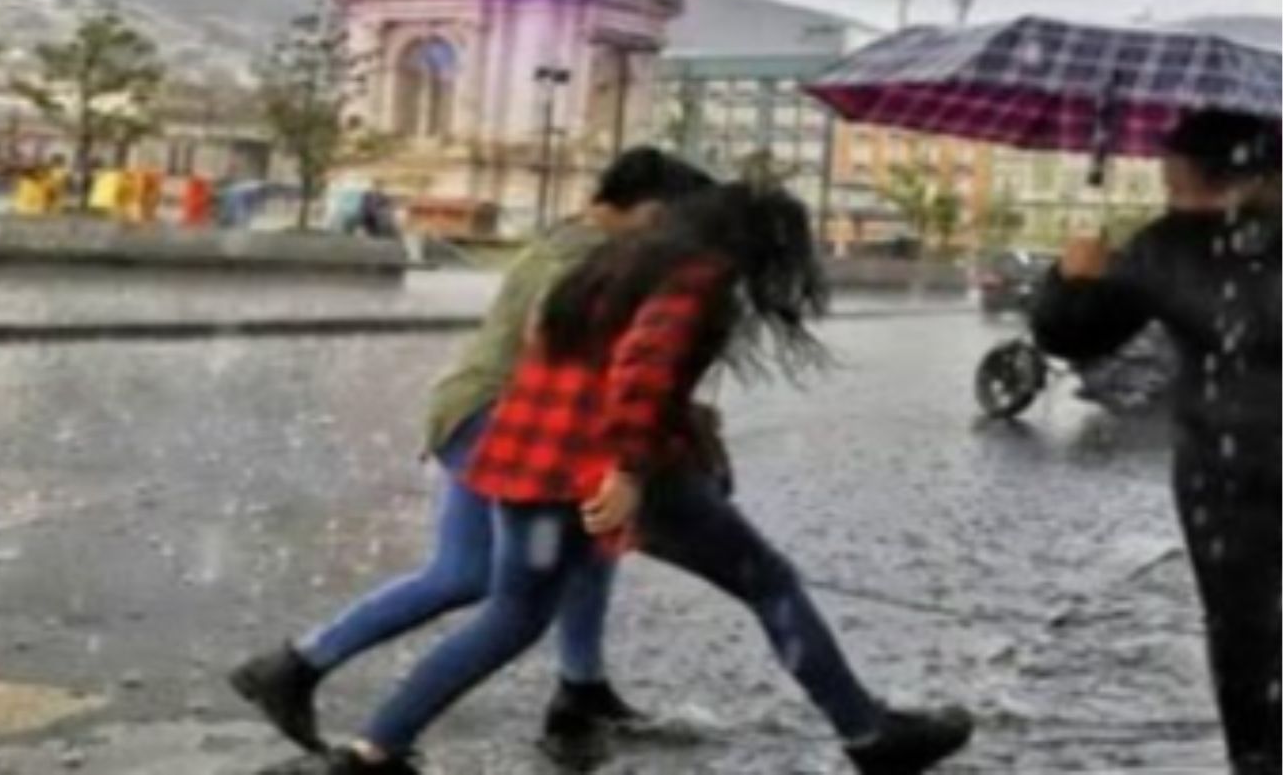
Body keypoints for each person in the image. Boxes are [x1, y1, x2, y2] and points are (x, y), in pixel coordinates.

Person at [324, 183, 974, 774]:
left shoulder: (620, 261)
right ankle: (867, 734)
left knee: (513, 614)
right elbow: (644, 366)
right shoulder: (699, 276)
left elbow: (553, 340)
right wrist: (631, 469)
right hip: (610, 461)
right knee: (769, 581)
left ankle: (374, 750)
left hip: (533, 452)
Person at [229, 148, 715, 764]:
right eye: (680, 222)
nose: (683, 239)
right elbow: (568, 342)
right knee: (489, 585)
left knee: (551, 555)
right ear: (649, 210)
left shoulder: (574, 239)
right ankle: (320, 687)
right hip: (501, 420)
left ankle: (579, 688)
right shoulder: (584, 258)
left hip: (477, 410)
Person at [1032, 110, 1281, 775]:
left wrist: (1073, 276)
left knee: (1243, 631)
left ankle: (1259, 758)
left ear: (1188, 171)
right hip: (1231, 472)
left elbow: (1072, 335)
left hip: (1225, 474)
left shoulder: (1168, 245)